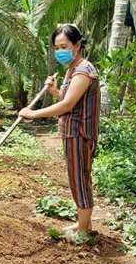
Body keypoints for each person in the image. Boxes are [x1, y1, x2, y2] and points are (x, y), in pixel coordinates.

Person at [19, 24, 100, 239]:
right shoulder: (71, 69)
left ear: (77, 45)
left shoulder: (83, 71)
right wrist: (55, 91)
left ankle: (83, 230)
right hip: (71, 132)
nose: (59, 52)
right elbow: (67, 100)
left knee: (80, 179)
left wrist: (33, 114)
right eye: (56, 48)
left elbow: (67, 106)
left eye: (63, 46)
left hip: (79, 134)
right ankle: (83, 223)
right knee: (78, 178)